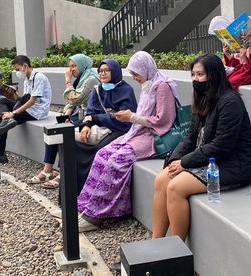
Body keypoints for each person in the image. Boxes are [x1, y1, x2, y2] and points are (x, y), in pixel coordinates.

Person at [152, 54, 251, 241]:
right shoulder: (203, 98)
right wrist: (174, 160)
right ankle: (156, 245)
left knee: (175, 188)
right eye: (193, 74)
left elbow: (222, 145)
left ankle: (177, 252)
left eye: (200, 75)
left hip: (233, 164)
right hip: (209, 160)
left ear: (214, 75)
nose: (195, 79)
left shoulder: (230, 102)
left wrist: (185, 162)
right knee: (162, 179)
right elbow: (190, 137)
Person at [76, 51, 178, 232]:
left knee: (117, 160)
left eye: (136, 73)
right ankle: (86, 205)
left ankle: (96, 216)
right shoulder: (149, 84)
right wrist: (133, 119)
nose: (134, 77)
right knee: (102, 153)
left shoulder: (162, 86)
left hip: (155, 136)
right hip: (140, 132)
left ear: (145, 69)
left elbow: (163, 120)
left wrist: (131, 117)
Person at [28, 58, 137, 190]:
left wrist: (93, 118)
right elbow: (90, 110)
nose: (102, 73)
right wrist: (86, 125)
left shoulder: (125, 90)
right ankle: (53, 172)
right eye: (100, 71)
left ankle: (88, 187)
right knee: (58, 130)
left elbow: (123, 117)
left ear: (115, 72)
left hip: (117, 127)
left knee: (99, 151)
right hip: (91, 120)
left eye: (106, 70)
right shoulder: (98, 89)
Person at [0, 55, 52, 164]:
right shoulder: (27, 79)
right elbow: (21, 99)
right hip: (27, 108)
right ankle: (9, 121)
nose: (17, 72)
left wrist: (13, 113)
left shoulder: (39, 77)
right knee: (1, 101)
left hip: (37, 111)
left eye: (18, 69)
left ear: (25, 66)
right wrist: (14, 93)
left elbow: (31, 100)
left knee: (4, 119)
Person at [223, 16, 251, 89]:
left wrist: (244, 57)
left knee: (231, 82)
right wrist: (227, 54)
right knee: (223, 80)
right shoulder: (244, 45)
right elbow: (237, 64)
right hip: (243, 70)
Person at [63, 54, 100, 124]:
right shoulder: (80, 80)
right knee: (59, 124)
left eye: (74, 66)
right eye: (70, 67)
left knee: (67, 129)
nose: (71, 70)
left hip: (90, 116)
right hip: (80, 113)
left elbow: (75, 99)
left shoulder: (91, 79)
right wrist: (66, 116)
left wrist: (68, 81)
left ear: (81, 65)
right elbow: (72, 104)